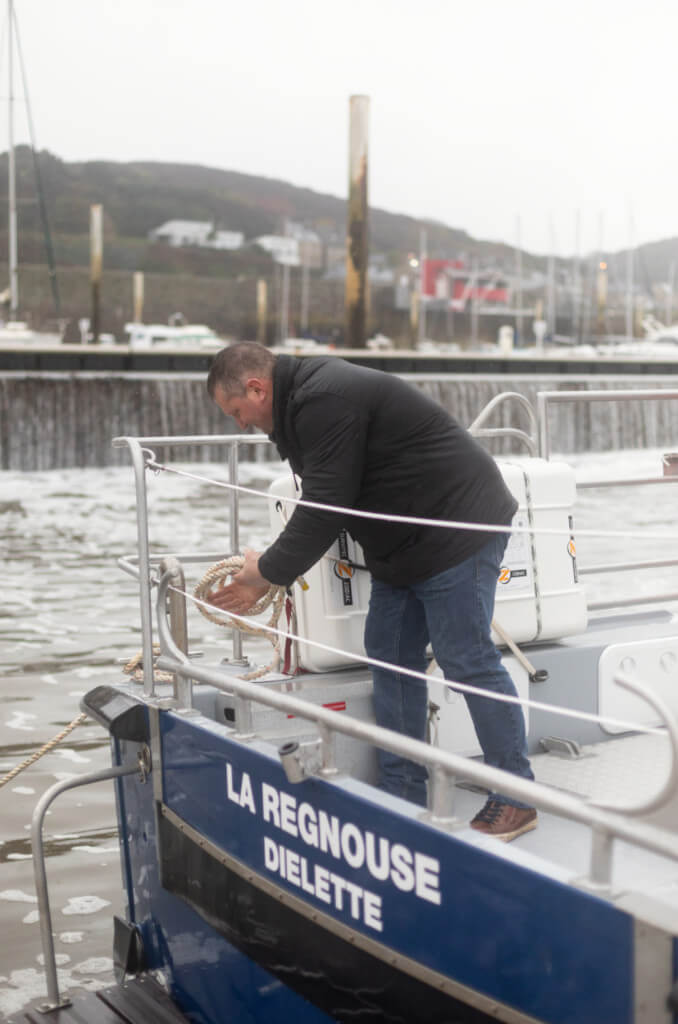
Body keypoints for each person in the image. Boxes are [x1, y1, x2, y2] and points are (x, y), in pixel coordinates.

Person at [206, 342, 536, 842]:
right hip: (403, 543)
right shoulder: (302, 403)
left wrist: (266, 572)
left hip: (459, 526)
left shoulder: (322, 399)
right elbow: (330, 499)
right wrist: (268, 572)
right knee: (389, 655)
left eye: (236, 411)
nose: (240, 424)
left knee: (465, 657)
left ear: (257, 389)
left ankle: (516, 797)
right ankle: (403, 793)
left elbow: (324, 506)